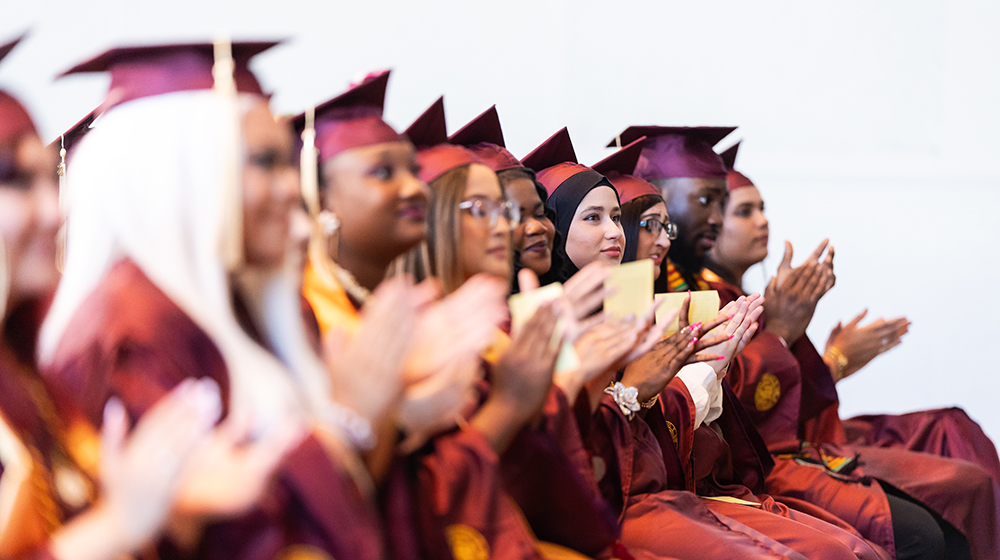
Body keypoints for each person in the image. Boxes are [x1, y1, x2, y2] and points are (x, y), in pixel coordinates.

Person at [38, 42, 417, 560]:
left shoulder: (242, 307)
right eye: (264, 163)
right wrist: (352, 417)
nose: (291, 189)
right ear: (175, 173)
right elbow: (223, 535)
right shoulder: (138, 328)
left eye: (287, 163)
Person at [705, 141, 998, 559]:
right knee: (956, 489)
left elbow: (788, 395)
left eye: (763, 207)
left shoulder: (747, 293)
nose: (763, 221)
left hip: (802, 438)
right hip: (770, 458)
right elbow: (746, 409)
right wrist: (822, 354)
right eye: (744, 211)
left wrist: (826, 355)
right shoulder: (701, 298)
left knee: (952, 427)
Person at [0, 34, 229, 560]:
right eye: (15, 181)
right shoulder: (128, 326)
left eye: (45, 180)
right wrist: (118, 526)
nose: (54, 211)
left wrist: (166, 516)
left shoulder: (32, 378)